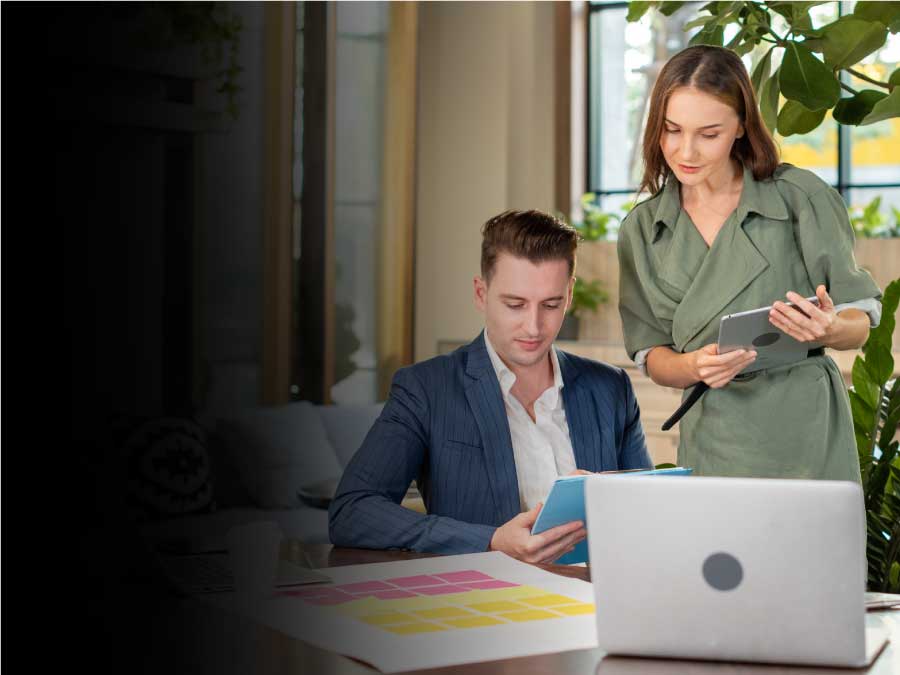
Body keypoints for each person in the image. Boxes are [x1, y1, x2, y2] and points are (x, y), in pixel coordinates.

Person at [617, 45, 881, 481]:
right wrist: (693, 366)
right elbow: (651, 353)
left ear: (741, 126)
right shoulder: (642, 231)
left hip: (805, 437)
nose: (686, 151)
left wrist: (831, 328)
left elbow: (859, 321)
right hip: (714, 434)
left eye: (708, 134)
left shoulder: (800, 199)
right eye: (672, 130)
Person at [330, 209, 652, 561]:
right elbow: (352, 511)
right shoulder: (426, 389)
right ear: (481, 294)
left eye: (551, 304)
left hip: (597, 599)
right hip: (484, 603)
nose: (533, 326)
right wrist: (490, 539)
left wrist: (608, 501)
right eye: (515, 304)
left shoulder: (611, 388)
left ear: (570, 295)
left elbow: (650, 514)